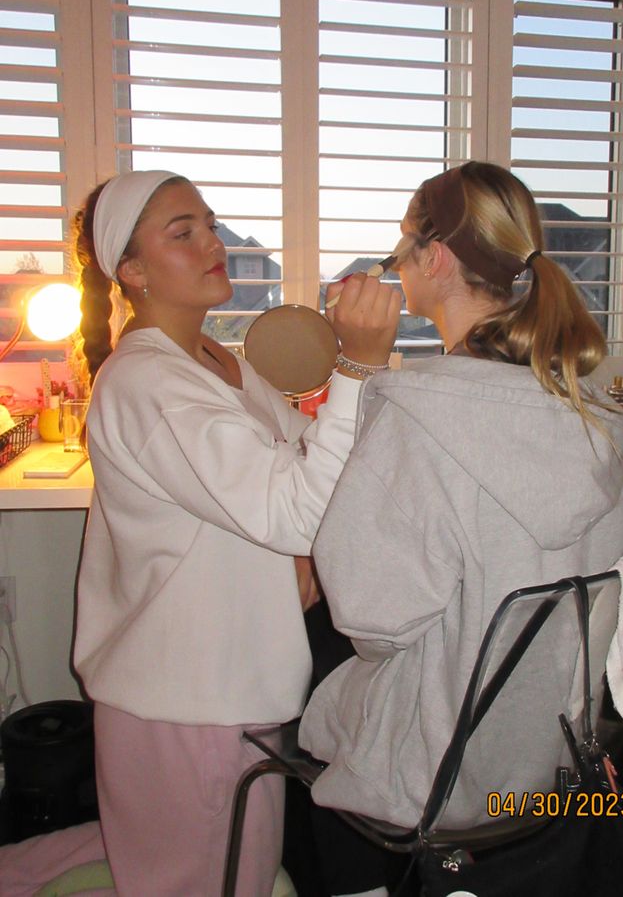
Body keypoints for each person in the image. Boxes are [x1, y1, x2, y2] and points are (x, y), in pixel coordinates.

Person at [0, 170, 400, 897]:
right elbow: (295, 507)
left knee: (194, 859)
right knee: (213, 879)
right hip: (187, 698)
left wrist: (305, 544)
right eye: (182, 231)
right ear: (132, 269)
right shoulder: (148, 382)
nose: (212, 241)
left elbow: (307, 474)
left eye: (209, 223)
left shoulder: (221, 364)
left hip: (226, 683)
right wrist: (358, 362)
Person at [297, 162, 623, 897]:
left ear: (437, 258)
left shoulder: (423, 415)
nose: (394, 261)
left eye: (402, 245)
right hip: (549, 758)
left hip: (447, 766)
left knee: (306, 674)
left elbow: (370, 618)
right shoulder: (591, 416)